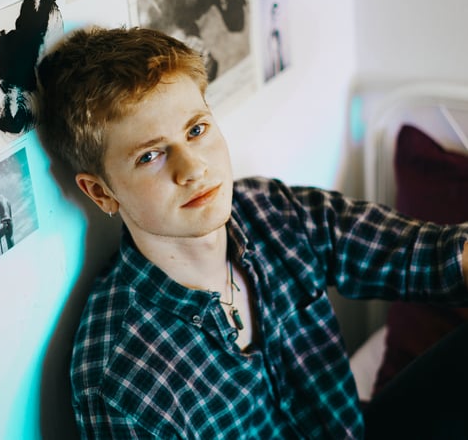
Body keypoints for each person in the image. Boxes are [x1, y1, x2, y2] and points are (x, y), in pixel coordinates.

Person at [37, 26, 468, 439]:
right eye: (150, 156)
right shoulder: (122, 381)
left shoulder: (270, 210)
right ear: (101, 193)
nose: (194, 169)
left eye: (196, 130)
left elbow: (426, 255)